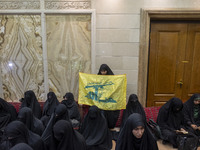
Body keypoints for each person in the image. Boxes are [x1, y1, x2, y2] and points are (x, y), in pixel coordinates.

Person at [97, 64, 120, 129]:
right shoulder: (97, 78)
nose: (103, 73)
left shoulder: (112, 78)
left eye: (104, 71)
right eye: (102, 71)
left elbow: (115, 88)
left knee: (110, 115)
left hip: (109, 101)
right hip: (101, 101)